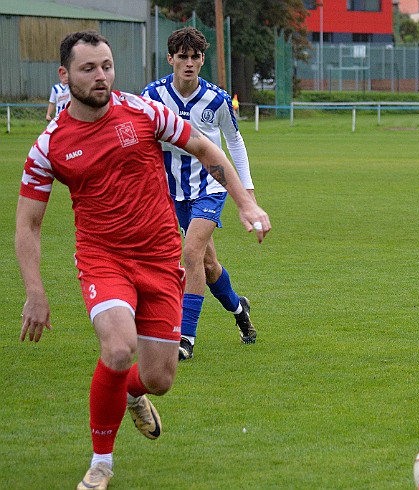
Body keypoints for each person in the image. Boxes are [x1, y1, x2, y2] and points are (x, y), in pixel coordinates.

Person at [16, 31, 270, 490]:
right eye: (88, 68)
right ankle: (101, 464)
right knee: (116, 348)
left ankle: (132, 393)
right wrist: (35, 291)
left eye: (107, 66)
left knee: (159, 378)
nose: (101, 76)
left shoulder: (144, 112)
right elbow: (27, 224)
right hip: (103, 259)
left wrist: (246, 204)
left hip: (157, 260)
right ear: (64, 75)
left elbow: (206, 149)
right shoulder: (49, 146)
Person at [141, 26, 258, 361]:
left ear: (202, 59)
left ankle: (185, 337)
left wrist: (246, 194)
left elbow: (235, 142)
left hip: (210, 187)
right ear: (170, 59)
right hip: (171, 192)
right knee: (207, 266)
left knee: (190, 254)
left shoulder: (217, 99)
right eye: (182, 57)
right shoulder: (152, 96)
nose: (189, 63)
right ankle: (239, 309)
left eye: (195, 57)